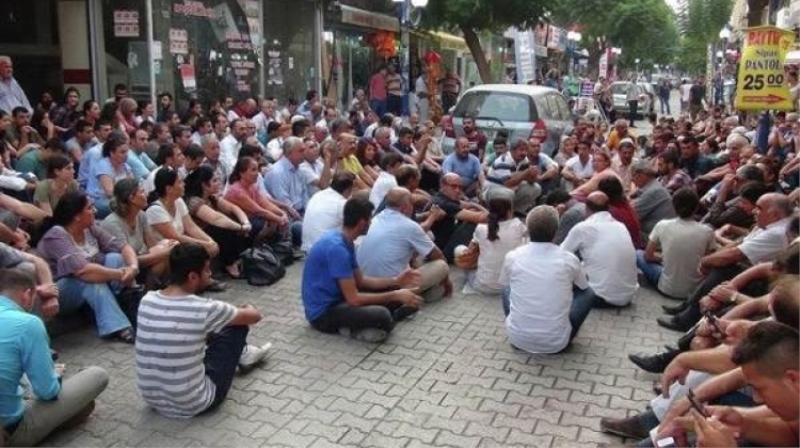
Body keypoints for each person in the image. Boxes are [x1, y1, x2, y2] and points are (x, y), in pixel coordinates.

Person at [136, 243, 270, 419]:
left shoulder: (147, 299)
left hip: (152, 399)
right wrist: (248, 307)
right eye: (207, 270)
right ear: (192, 276)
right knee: (237, 327)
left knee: (203, 328)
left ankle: (242, 353)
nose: (210, 274)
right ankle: (243, 354)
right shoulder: (203, 308)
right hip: (194, 403)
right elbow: (254, 316)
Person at [0, 268, 109, 447]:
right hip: (11, 432)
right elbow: (47, 392)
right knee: (97, 374)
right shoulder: (28, 323)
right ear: (27, 295)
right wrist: (54, 375)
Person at [301, 196, 423, 343]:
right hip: (322, 314)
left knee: (396, 297)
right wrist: (395, 294)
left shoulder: (346, 242)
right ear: (362, 223)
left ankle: (380, 319)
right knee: (382, 314)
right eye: (370, 220)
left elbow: (362, 281)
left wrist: (396, 281)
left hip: (341, 299)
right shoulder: (337, 249)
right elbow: (354, 299)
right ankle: (354, 328)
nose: (371, 223)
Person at [36, 192, 138, 342]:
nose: (95, 211)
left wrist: (133, 267)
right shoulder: (56, 235)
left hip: (90, 281)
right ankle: (119, 327)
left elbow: (122, 246)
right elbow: (83, 271)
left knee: (115, 258)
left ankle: (123, 308)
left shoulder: (90, 227)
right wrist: (122, 273)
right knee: (92, 282)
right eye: (90, 208)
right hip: (58, 292)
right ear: (77, 216)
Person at [500, 205, 592, 354]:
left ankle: (521, 327)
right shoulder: (568, 259)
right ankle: (567, 333)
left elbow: (505, 282)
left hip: (517, 339)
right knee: (588, 293)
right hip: (556, 344)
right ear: (556, 232)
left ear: (528, 230)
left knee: (506, 287)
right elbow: (583, 286)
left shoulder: (513, 256)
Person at [357, 188, 451, 304]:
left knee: (416, 260)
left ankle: (424, 292)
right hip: (392, 286)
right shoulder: (409, 226)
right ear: (405, 207)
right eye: (412, 203)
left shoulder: (376, 218)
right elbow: (438, 256)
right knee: (441, 266)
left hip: (365, 284)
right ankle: (412, 296)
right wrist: (448, 283)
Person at [145, 168, 225, 291]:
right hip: (167, 251)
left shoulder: (178, 201)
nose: (184, 185)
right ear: (169, 188)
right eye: (180, 182)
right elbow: (175, 236)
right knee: (191, 249)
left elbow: (191, 226)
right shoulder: (155, 210)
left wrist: (209, 241)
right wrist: (204, 245)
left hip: (181, 245)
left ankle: (201, 281)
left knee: (209, 244)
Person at [560, 191, 638, 307]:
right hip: (628, 296)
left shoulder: (583, 227)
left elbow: (559, 255)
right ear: (608, 208)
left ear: (587, 209)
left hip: (597, 296)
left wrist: (559, 217)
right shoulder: (621, 226)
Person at [637, 188, 716, 299]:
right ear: (696, 207)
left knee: (638, 254)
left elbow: (648, 256)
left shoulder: (662, 225)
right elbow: (706, 263)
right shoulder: (708, 231)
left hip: (665, 287)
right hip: (693, 290)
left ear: (674, 206)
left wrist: (664, 258)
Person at [101, 179, 177, 288]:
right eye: (141, 192)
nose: (145, 194)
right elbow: (129, 261)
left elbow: (153, 245)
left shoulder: (141, 215)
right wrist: (165, 253)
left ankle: (164, 288)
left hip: (140, 260)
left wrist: (167, 247)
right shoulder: (112, 224)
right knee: (165, 255)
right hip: (124, 268)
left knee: (169, 245)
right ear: (131, 198)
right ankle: (144, 293)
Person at [184, 166, 252, 279]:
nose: (219, 182)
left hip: (211, 233)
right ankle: (230, 265)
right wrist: (241, 228)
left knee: (234, 220)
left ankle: (239, 258)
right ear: (204, 185)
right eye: (214, 180)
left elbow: (234, 208)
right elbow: (216, 219)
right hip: (199, 235)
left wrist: (245, 223)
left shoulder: (211, 197)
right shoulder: (193, 201)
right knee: (223, 227)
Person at [462, 188, 528, 295]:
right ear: (509, 212)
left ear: (490, 211)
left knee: (462, 253)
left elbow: (468, 251)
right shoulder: (518, 225)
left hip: (482, 286)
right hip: (508, 287)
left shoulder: (481, 228)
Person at [430, 173, 489, 262]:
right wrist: (486, 211)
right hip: (442, 252)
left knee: (471, 214)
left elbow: (467, 205)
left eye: (460, 187)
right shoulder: (445, 204)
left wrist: (474, 205)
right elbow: (482, 218)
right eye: (453, 186)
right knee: (473, 222)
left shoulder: (441, 197)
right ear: (443, 186)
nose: (458, 190)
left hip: (442, 243)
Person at [301, 172, 354, 252]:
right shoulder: (341, 204)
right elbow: (353, 228)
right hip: (324, 252)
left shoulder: (317, 195)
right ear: (348, 190)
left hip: (307, 248)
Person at [87, 134, 133, 219]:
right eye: (122, 152)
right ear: (112, 153)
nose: (126, 155)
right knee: (124, 208)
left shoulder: (126, 166)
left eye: (127, 151)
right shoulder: (103, 165)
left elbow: (133, 185)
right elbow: (110, 193)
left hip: (119, 198)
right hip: (99, 201)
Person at [630, 159, 676, 244]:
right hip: (654, 234)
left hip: (656, 240)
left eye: (633, 175)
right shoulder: (652, 187)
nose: (632, 179)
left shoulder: (653, 191)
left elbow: (630, 216)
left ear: (642, 175)